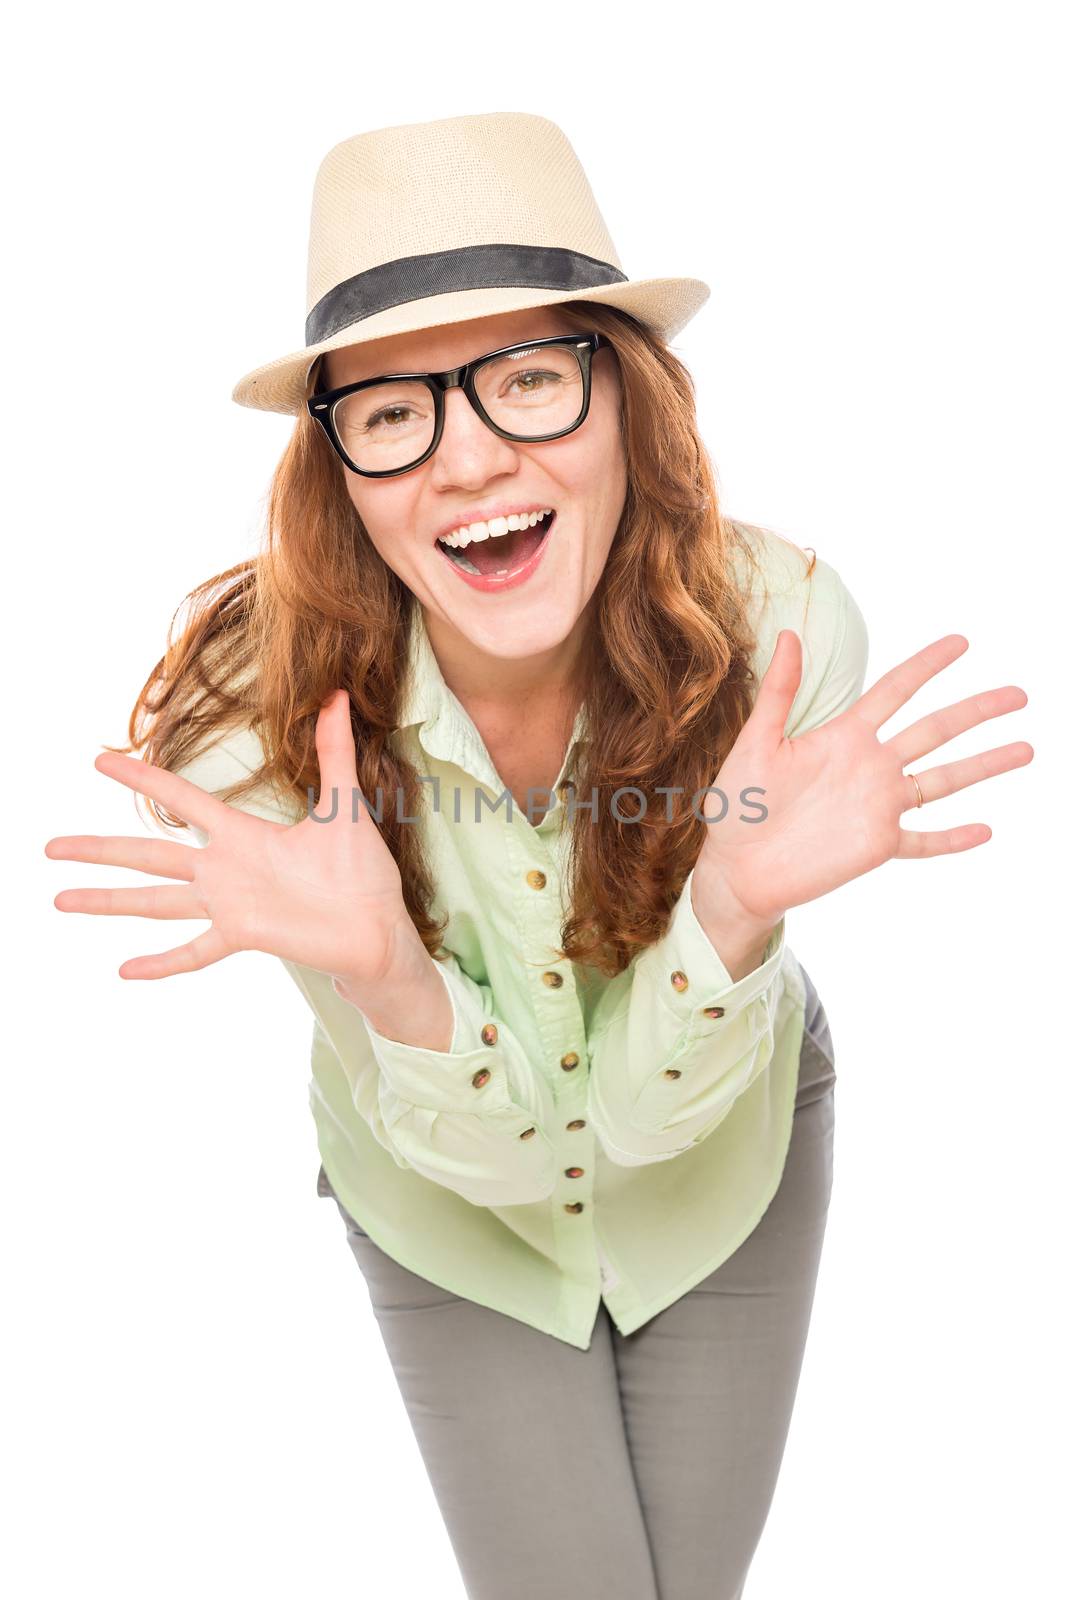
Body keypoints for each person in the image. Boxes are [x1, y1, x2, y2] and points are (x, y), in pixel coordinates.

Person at [43, 113, 1033, 1600]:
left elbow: (640, 1128)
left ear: (628, 399)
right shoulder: (244, 738)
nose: (469, 461)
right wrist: (383, 973)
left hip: (721, 1155)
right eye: (393, 414)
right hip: (446, 1199)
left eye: (527, 382)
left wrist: (730, 899)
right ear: (338, 467)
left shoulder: (783, 639)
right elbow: (508, 1157)